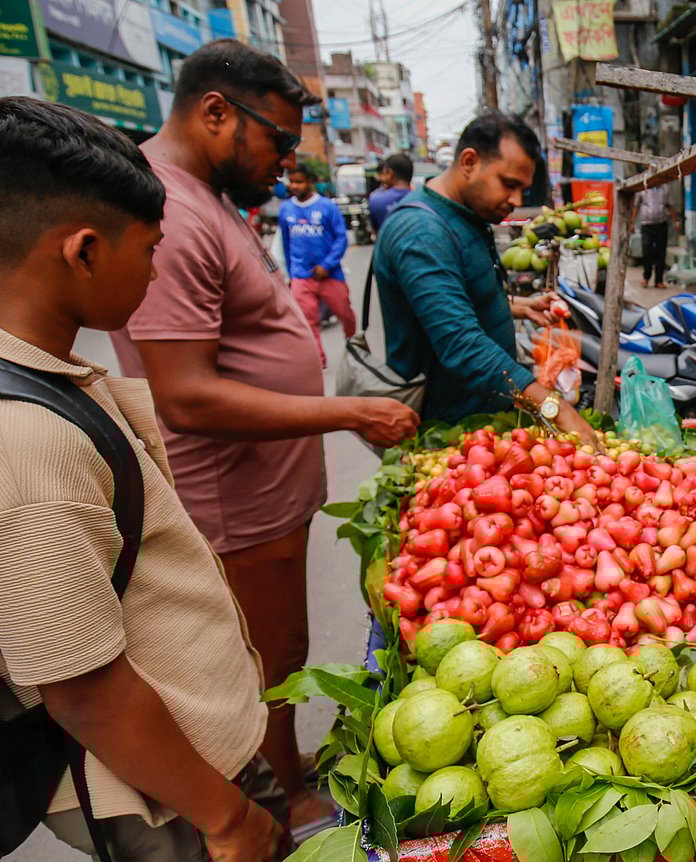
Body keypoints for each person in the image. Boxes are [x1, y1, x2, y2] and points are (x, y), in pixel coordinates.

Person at [108, 40, 419, 833]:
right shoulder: (171, 210)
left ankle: (283, 770)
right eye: (278, 140)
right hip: (230, 499)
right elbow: (185, 396)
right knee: (256, 664)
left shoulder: (206, 198)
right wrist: (350, 413)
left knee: (276, 653)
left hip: (264, 497)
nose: (286, 160)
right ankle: (270, 808)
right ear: (216, 112)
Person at [0, 96, 290, 862]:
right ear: (85, 250)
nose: (157, 268)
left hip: (190, 765)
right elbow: (83, 686)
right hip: (167, 800)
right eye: (151, 248)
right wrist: (226, 818)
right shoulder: (28, 440)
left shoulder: (49, 380)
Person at [374, 111, 598, 444]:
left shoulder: (464, 216)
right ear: (469, 161)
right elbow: (459, 341)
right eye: (509, 184)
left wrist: (516, 306)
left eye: (523, 189)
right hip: (447, 434)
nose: (516, 201)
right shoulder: (421, 231)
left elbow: (455, 295)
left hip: (484, 425)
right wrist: (554, 406)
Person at [279, 164, 355, 367]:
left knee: (345, 314)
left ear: (310, 182)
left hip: (330, 274)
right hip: (301, 275)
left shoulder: (327, 207)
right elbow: (286, 243)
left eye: (299, 181)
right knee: (307, 321)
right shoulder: (285, 209)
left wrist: (327, 264)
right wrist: (291, 273)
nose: (295, 186)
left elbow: (341, 238)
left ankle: (356, 350)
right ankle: (317, 362)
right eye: (292, 181)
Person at [631, 182, 679, 289]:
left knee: (661, 252)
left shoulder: (665, 188)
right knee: (647, 251)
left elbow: (670, 205)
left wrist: (676, 221)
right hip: (646, 225)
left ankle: (659, 280)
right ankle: (646, 277)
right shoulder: (642, 188)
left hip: (661, 225)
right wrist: (632, 223)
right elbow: (636, 206)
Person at [369, 152, 413, 233]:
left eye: (384, 172)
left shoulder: (376, 199)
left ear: (390, 173)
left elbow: (376, 233)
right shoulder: (422, 199)